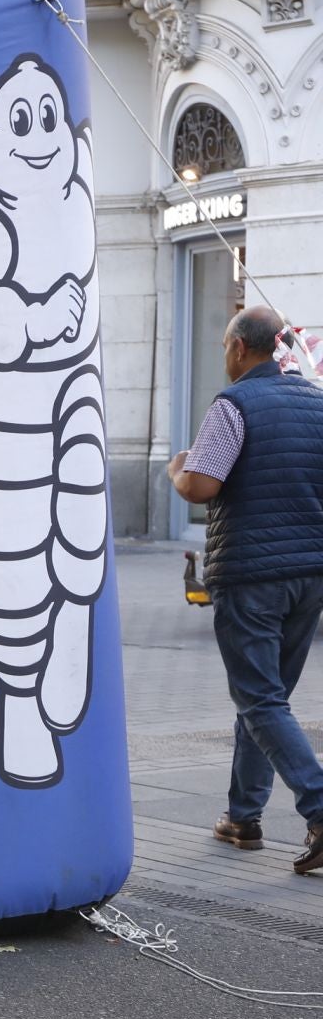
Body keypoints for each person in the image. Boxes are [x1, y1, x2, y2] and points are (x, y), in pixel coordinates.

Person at [169, 305, 323, 875]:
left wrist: (176, 469)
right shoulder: (317, 401)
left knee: (260, 699)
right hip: (310, 577)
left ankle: (319, 805)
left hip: (251, 575)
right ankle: (243, 817)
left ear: (238, 348)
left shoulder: (233, 405)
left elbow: (202, 484)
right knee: (265, 696)